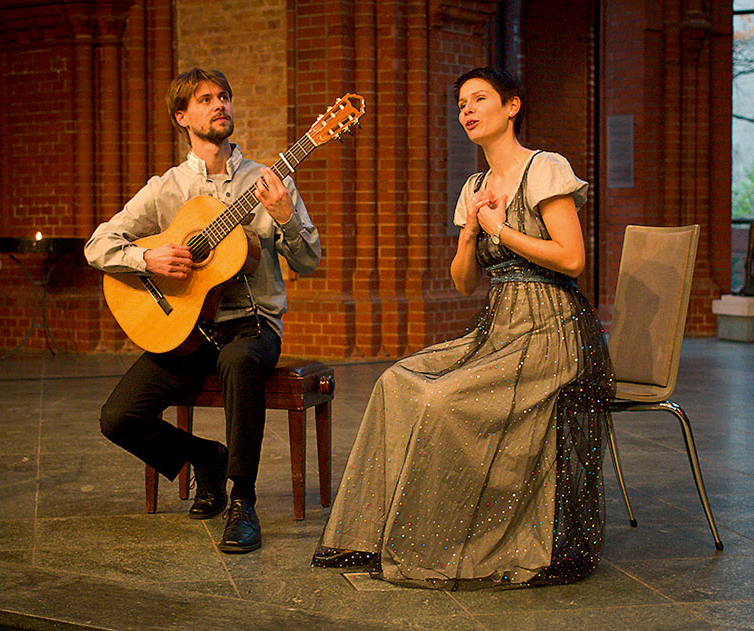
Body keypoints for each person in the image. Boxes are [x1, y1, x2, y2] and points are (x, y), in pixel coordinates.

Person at [312, 67, 614, 588]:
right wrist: (471, 232)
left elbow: (571, 259)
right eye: (461, 104)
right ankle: (371, 536)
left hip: (551, 330)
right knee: (395, 384)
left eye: (480, 99)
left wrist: (502, 227)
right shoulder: (474, 185)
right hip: (499, 327)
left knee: (441, 400)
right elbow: (463, 283)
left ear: (512, 106)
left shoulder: (544, 168)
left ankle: (448, 541)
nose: (467, 110)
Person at [85, 68, 321, 554]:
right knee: (118, 418)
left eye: (224, 97)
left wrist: (284, 217)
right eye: (206, 99)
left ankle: (243, 502)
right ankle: (205, 458)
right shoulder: (166, 188)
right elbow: (97, 245)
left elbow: (309, 261)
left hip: (251, 328)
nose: (220, 105)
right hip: (186, 329)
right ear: (182, 117)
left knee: (238, 361)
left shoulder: (269, 181)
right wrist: (145, 257)